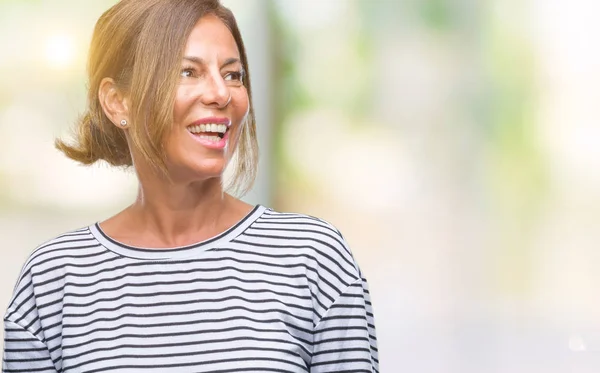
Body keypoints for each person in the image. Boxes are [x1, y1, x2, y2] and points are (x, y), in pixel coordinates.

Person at [2, 0, 379, 372]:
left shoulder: (313, 260)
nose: (221, 94)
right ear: (118, 103)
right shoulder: (53, 280)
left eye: (233, 74)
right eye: (188, 72)